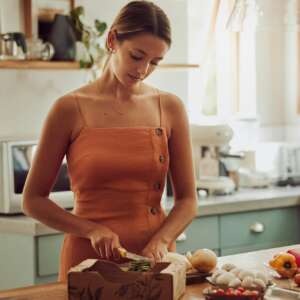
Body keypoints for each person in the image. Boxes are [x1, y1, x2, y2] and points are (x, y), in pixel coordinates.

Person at [23, 0, 197, 282]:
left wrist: (162, 240)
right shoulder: (69, 108)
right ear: (112, 39)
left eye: (155, 62)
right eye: (137, 56)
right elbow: (33, 200)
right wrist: (91, 229)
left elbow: (188, 199)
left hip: (148, 262)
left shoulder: (169, 107)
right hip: (90, 263)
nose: (143, 70)